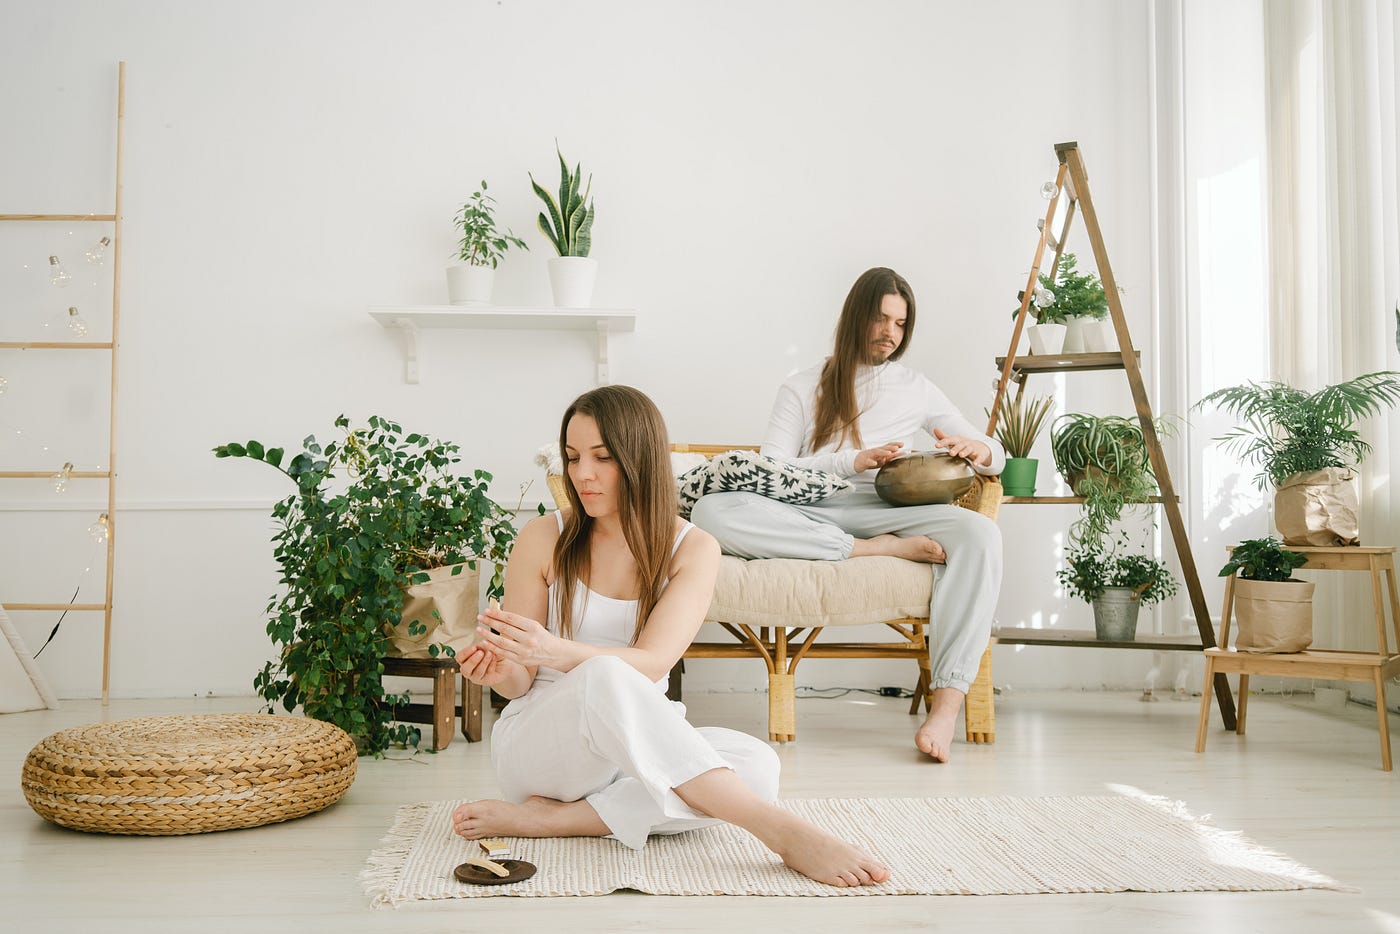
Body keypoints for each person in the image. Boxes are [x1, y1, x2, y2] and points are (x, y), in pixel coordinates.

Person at [452, 384, 890, 888]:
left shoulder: (694, 548)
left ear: (640, 458)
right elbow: (519, 683)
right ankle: (780, 831)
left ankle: (557, 820)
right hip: (544, 751)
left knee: (757, 766)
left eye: (602, 457)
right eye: (573, 457)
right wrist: (499, 668)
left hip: (636, 747)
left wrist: (553, 648)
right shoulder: (543, 537)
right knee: (605, 674)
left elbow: (655, 662)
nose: (581, 474)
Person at [691, 267, 1004, 763]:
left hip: (886, 506)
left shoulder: (915, 386)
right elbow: (771, 468)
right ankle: (872, 551)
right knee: (712, 510)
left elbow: (996, 450)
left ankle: (945, 706)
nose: (890, 333)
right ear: (855, 315)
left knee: (980, 537)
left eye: (900, 324)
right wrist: (849, 460)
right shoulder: (802, 385)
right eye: (881, 319)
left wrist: (978, 449)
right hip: (808, 508)